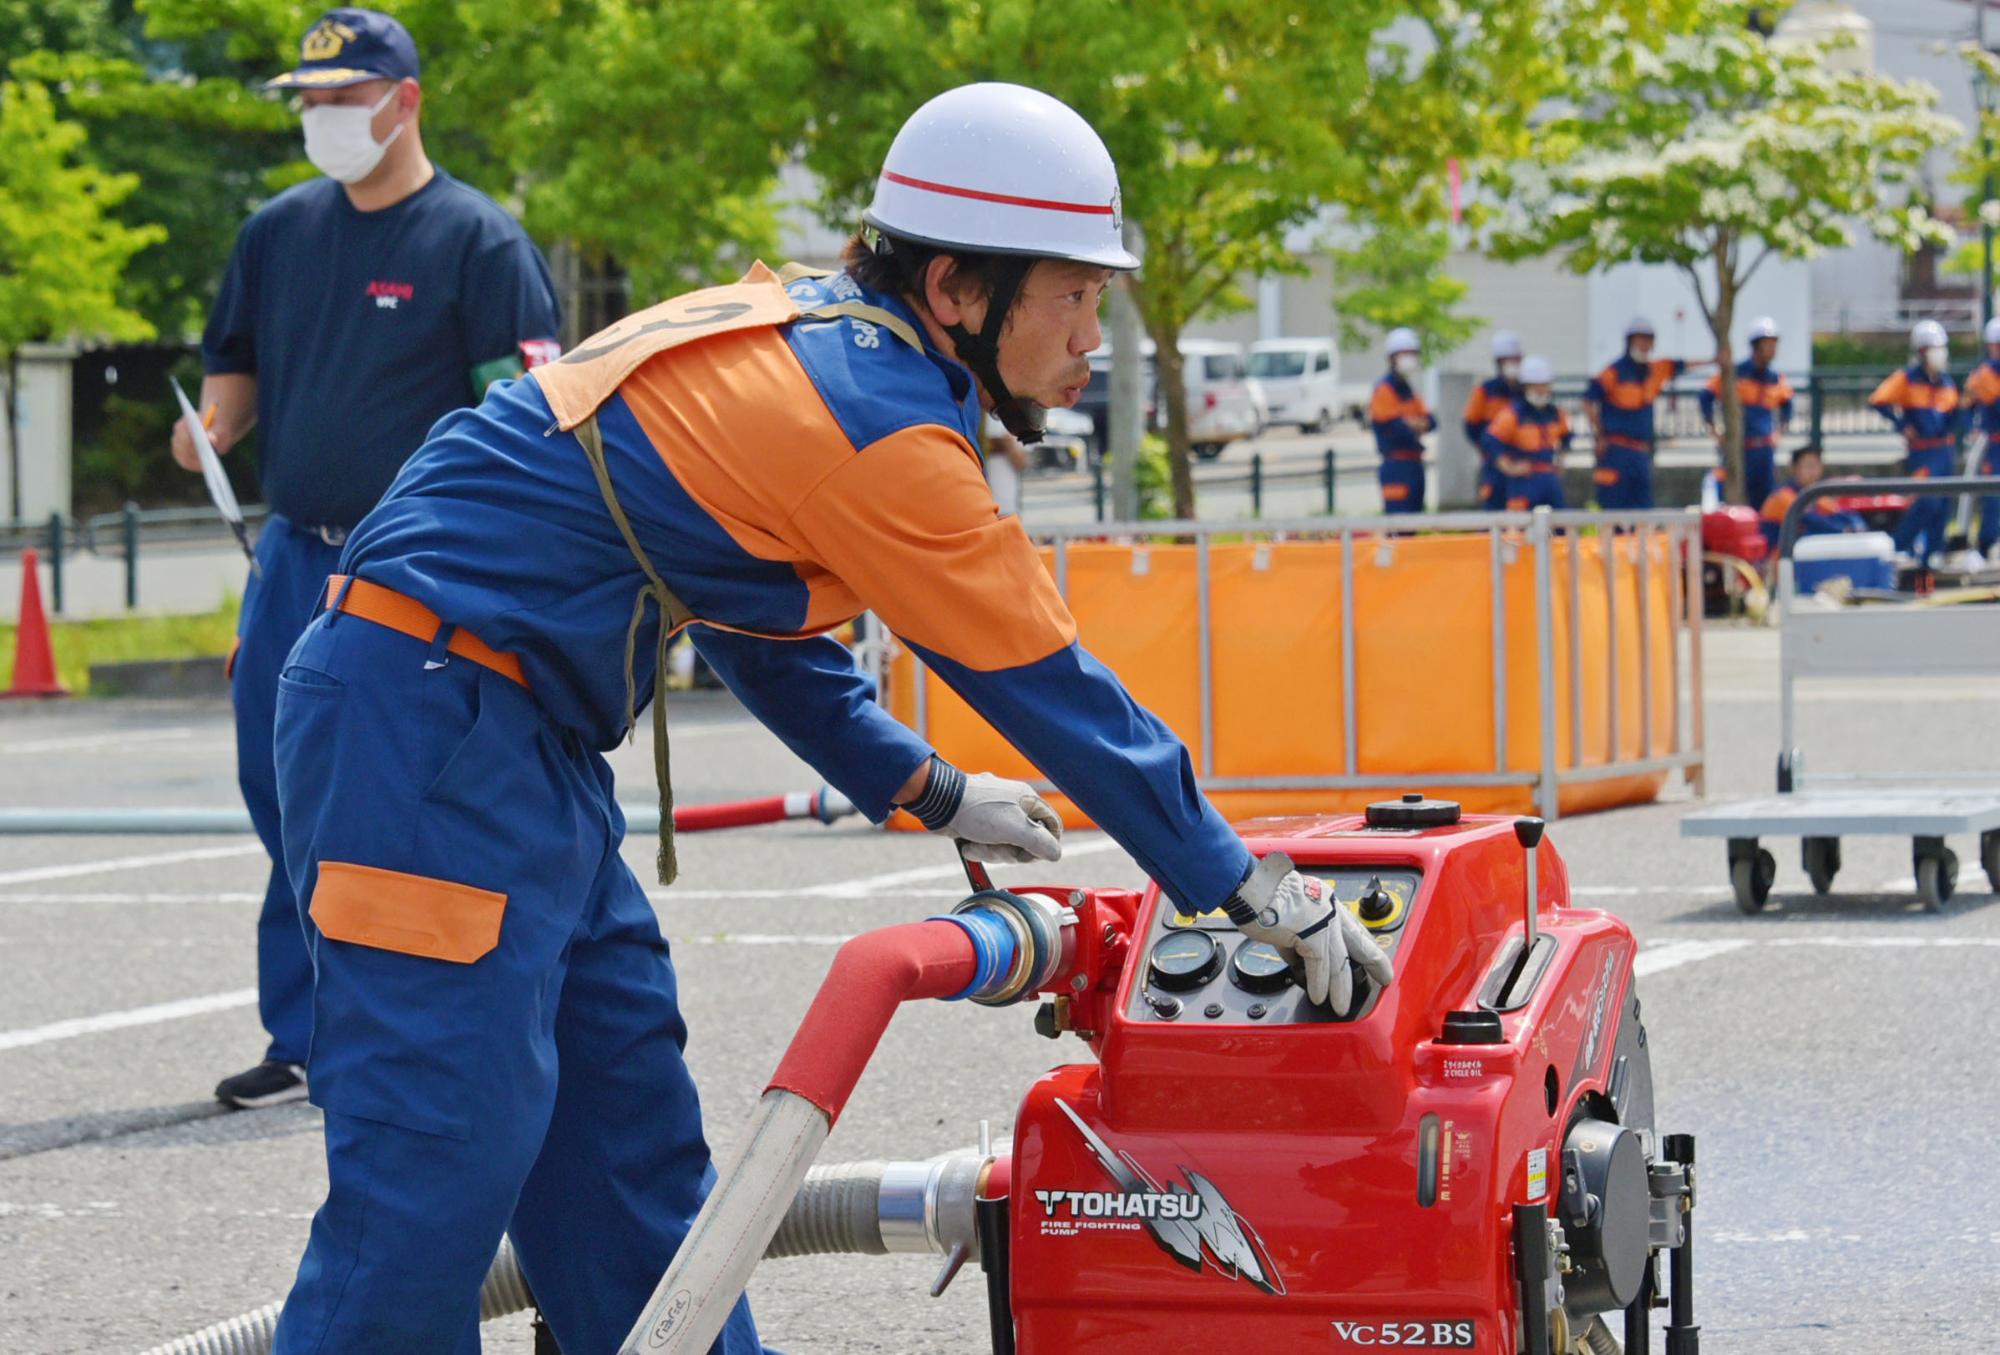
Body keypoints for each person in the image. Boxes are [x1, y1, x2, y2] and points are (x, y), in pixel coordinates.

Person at [262, 82, 1393, 1353]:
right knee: (435, 1173)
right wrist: (1242, 886)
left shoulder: (821, 341)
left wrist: (929, 787)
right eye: (1071, 294)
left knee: (622, 1160)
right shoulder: (872, 417)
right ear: (961, 287)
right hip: (422, 731)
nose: (1092, 334)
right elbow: (1051, 686)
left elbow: (762, 631)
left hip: (499, 737)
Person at [168, 7, 563, 1113]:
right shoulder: (277, 234)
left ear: (405, 101)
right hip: (294, 555)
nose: (324, 120)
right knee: (278, 783)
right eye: (311, 103)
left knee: (391, 797)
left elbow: (528, 415)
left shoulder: (478, 241)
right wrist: (210, 430)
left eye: (344, 100)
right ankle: (302, 1033)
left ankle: (387, 1024)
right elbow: (234, 371)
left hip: (416, 578)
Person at [1583, 316, 1707, 510]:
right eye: (1640, 339)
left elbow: (1683, 365)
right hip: (1616, 449)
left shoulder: (1655, 370)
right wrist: (1599, 435)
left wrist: (1716, 360)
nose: (1645, 345)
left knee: (1643, 507)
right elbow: (1588, 399)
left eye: (1649, 340)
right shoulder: (1614, 372)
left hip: (1641, 451)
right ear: (1630, 342)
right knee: (1612, 506)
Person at [1870, 319, 1960, 564]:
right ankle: (1899, 549)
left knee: (1942, 506)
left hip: (1944, 452)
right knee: (1925, 502)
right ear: (1921, 351)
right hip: (1922, 453)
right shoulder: (1906, 379)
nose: (1940, 353)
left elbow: (1952, 416)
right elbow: (1878, 400)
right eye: (1934, 348)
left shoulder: (1946, 383)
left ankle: (1932, 558)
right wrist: (1902, 425)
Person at [1699, 316, 1794, 508]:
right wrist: (1715, 432)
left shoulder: (1776, 378)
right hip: (1739, 449)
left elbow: (1788, 404)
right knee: (1734, 500)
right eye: (1768, 344)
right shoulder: (1735, 374)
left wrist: (1779, 433)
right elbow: (1705, 396)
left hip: (1765, 451)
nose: (1772, 349)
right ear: (1755, 346)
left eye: (1774, 344)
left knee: (1765, 501)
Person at [1484, 356, 1570, 511]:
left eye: (1544, 385)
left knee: (1560, 526)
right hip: (1523, 480)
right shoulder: (1513, 413)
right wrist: (1509, 467)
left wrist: (1561, 461)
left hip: (1549, 478)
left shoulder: (1556, 413)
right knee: (1519, 529)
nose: (1541, 390)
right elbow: (1491, 441)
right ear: (1525, 387)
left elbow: (1567, 437)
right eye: (1535, 386)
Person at [1371, 327, 1435, 514]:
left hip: (1414, 464)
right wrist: (1414, 423)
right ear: (1392, 358)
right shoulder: (1384, 389)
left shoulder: (1408, 389)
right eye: (1405, 353)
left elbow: (1431, 421)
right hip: (1396, 466)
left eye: (1413, 354)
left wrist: (1412, 422)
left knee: (1414, 520)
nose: (1411, 358)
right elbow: (1395, 427)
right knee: (1399, 523)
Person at [1757, 444, 1865, 549]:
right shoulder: (1781, 497)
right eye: (1808, 466)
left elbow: (1839, 514)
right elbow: (1812, 521)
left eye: (1816, 466)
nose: (1812, 471)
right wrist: (1843, 531)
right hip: (1779, 560)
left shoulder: (1818, 496)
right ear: (1794, 467)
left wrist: (1856, 526)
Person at [1462, 330, 1523, 507]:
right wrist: (1486, 449)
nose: (1513, 364)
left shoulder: (1525, 391)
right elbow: (1470, 425)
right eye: (1508, 360)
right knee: (1493, 507)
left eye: (1516, 360)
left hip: (1520, 461)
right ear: (1498, 362)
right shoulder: (1486, 391)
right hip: (1494, 462)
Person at [1960, 317, 2000, 557]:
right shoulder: (1983, 375)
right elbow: (1966, 406)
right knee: (1992, 498)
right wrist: (1971, 430)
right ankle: (1985, 547)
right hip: (1995, 443)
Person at [982, 419, 1030, 518]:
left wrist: (1008, 446)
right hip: (978, 505)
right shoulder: (973, 411)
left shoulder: (1016, 417)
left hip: (1006, 505)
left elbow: (1022, 461)